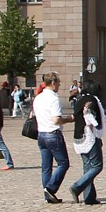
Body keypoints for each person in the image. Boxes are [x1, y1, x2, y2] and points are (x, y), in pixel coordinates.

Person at [33, 72, 72, 203]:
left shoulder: (38, 98)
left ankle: (47, 195)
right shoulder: (54, 98)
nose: (60, 84)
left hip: (41, 134)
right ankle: (50, 189)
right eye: (59, 82)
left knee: (46, 167)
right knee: (63, 163)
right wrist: (70, 119)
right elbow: (56, 120)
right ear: (53, 83)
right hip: (53, 134)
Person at [70, 81, 106, 205]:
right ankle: (77, 186)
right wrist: (95, 124)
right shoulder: (92, 99)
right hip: (89, 136)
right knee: (97, 166)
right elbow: (88, 112)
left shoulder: (80, 99)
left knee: (87, 167)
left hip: (78, 135)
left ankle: (89, 197)